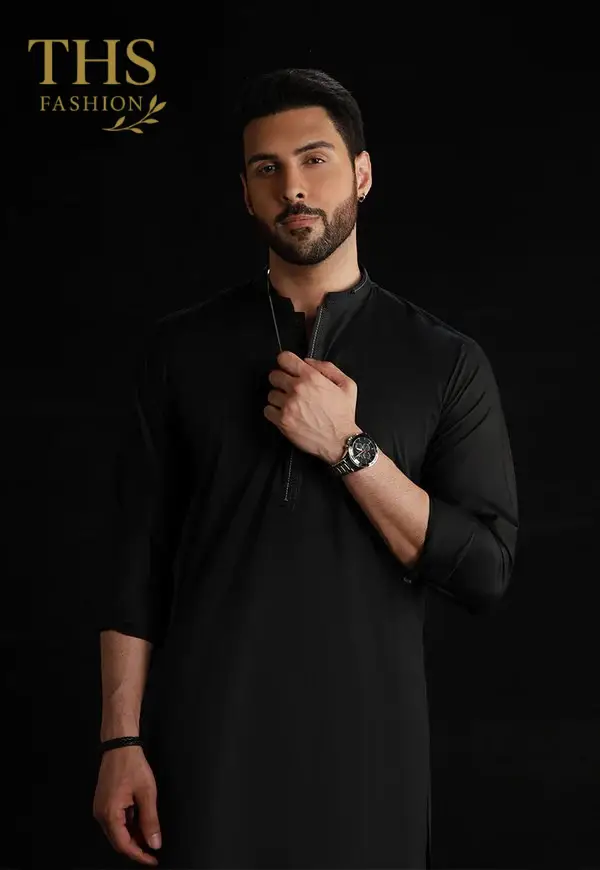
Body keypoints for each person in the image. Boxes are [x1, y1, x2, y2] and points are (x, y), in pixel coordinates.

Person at [93, 68, 519, 869]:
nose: (293, 186)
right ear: (246, 193)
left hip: (371, 760)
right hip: (205, 751)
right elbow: (133, 563)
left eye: (315, 159)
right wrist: (120, 739)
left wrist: (349, 449)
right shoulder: (178, 352)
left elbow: (485, 570)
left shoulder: (446, 362)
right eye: (268, 168)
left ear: (362, 174)